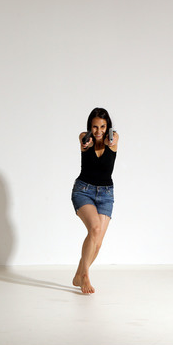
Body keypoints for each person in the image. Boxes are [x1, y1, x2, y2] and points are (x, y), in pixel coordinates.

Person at [71, 108, 119, 294]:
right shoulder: (85, 138)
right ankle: (85, 276)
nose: (98, 131)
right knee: (95, 229)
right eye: (95, 127)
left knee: (97, 242)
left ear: (108, 127)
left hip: (106, 195)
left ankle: (77, 274)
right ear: (90, 127)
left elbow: (113, 139)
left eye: (102, 127)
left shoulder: (113, 141)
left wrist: (109, 137)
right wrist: (87, 142)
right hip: (84, 191)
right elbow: (83, 140)